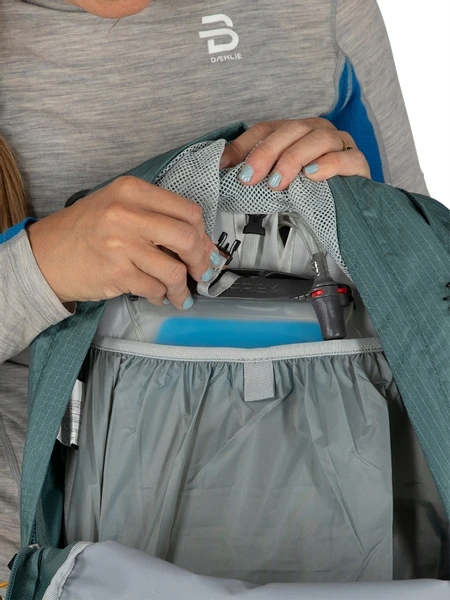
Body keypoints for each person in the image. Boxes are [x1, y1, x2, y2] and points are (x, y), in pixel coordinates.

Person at [0, 0, 428, 582]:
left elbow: (430, 321)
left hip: (335, 555)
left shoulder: (316, 11)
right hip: (38, 568)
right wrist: (42, 265)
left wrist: (368, 220)